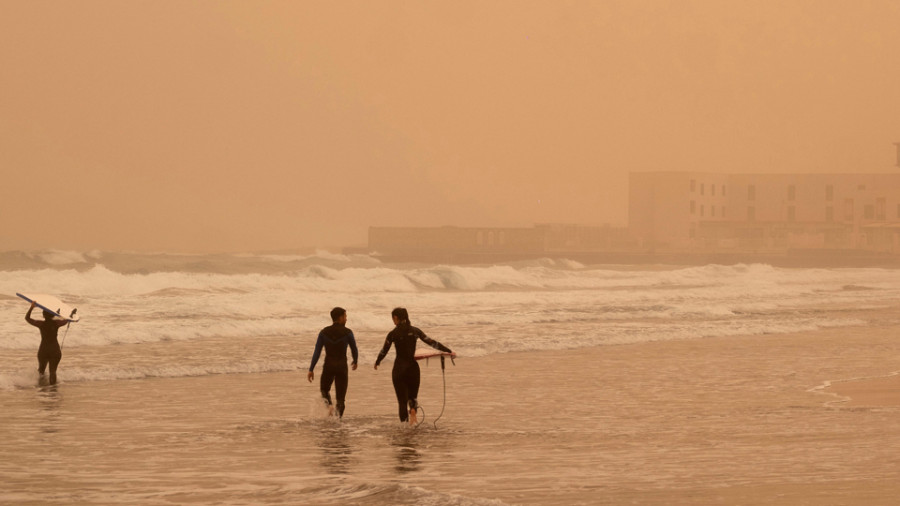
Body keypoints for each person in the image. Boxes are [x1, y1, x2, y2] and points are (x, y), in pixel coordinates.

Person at [375, 307, 453, 426]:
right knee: (413, 397)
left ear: (396, 318)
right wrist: (447, 350)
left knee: (402, 401)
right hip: (413, 369)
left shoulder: (393, 334)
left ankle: (405, 428)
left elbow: (384, 350)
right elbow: (432, 342)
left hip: (399, 369)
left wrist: (377, 361)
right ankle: (412, 411)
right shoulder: (416, 331)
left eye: (393, 318)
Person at [308, 307, 358, 418]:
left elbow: (317, 351)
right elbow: (354, 348)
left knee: (324, 390)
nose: (346, 319)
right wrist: (355, 360)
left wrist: (311, 369)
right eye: (345, 317)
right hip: (342, 366)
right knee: (341, 399)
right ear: (340, 318)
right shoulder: (348, 332)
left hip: (328, 365)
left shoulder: (324, 332)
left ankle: (329, 406)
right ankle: (337, 421)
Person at [25, 302, 68, 385]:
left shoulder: (41, 324)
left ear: (43, 315)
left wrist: (31, 307)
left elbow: (27, 318)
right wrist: (59, 314)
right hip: (54, 350)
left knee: (41, 371)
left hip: (43, 350)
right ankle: (53, 391)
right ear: (53, 315)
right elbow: (66, 320)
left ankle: (41, 390)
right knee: (53, 372)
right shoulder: (57, 323)